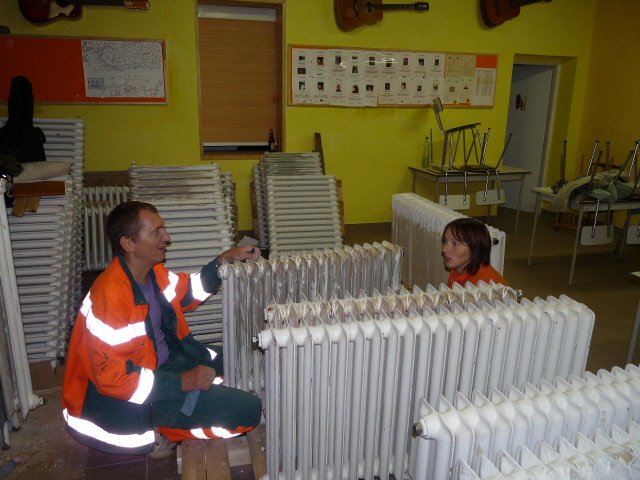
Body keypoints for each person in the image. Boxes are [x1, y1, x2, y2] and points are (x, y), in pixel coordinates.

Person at [62, 201, 262, 457]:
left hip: (164, 363)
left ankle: (198, 401)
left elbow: (188, 291)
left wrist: (223, 261)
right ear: (128, 243)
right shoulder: (109, 298)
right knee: (248, 412)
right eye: (156, 231)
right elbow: (114, 379)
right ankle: (163, 429)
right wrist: (182, 382)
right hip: (132, 400)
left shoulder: (153, 273)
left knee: (243, 359)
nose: (167, 237)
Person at [441, 217, 508, 288]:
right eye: (445, 241)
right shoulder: (458, 268)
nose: (444, 249)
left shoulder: (482, 285)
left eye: (455, 244)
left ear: (475, 248)